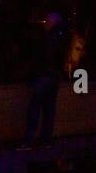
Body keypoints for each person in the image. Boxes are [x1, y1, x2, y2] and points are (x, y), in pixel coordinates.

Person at [20, 12, 68, 149]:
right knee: (49, 109)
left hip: (44, 75)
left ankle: (29, 140)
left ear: (52, 22)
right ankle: (46, 140)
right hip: (54, 76)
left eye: (47, 21)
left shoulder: (50, 37)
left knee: (35, 108)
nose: (45, 23)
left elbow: (45, 56)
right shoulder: (62, 35)